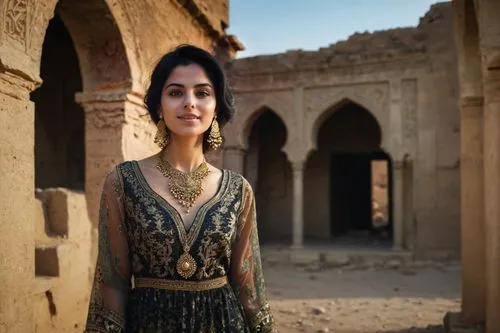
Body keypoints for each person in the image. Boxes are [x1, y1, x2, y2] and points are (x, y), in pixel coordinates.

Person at [84, 44, 276, 332]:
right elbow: (112, 283)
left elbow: (249, 287)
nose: (189, 102)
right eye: (175, 92)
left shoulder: (238, 190)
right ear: (159, 106)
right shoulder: (123, 182)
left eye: (202, 93)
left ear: (216, 106)